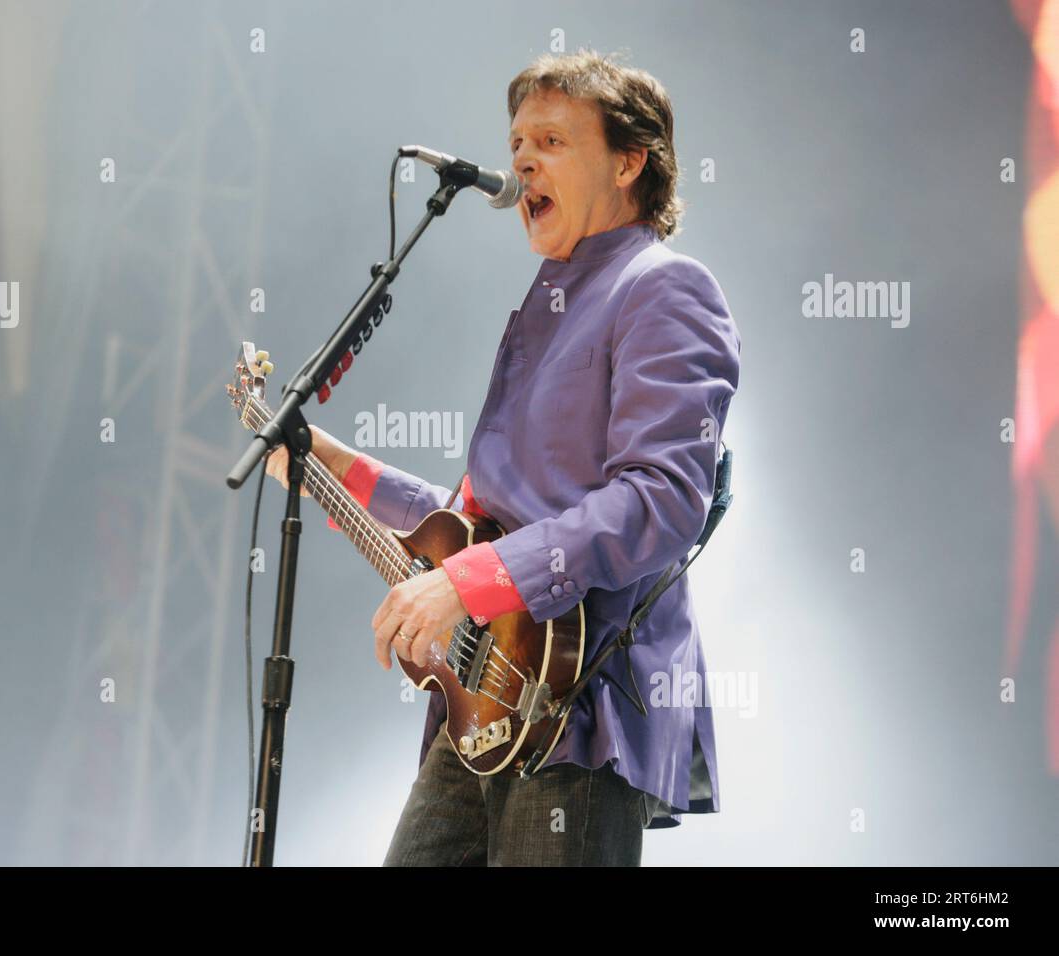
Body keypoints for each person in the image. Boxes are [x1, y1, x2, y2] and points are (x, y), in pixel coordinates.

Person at [267, 50, 740, 866]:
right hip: (487, 707)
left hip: (581, 699)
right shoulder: (546, 307)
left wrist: (467, 583)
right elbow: (471, 523)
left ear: (630, 162)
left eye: (552, 140)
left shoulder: (664, 287)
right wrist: (331, 466)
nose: (521, 159)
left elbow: (662, 500)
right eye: (518, 140)